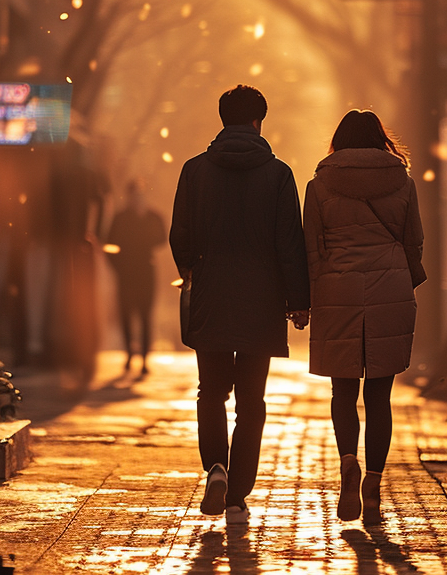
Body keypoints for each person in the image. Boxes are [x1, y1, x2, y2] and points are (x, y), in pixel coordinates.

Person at [169, 85, 310, 525]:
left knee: (211, 391)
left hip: (210, 295)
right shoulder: (279, 174)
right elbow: (290, 243)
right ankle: (238, 493)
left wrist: (192, 268)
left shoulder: (194, 171)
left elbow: (181, 235)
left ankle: (216, 468)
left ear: (223, 119)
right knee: (252, 399)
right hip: (261, 300)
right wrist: (299, 301)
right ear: (258, 122)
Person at [303, 110, 424, 526]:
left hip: (337, 288)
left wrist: (309, 296)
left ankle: (348, 462)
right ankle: (373, 481)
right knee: (379, 396)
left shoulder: (319, 186)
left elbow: (312, 248)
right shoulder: (402, 183)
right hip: (390, 286)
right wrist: (405, 278)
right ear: (380, 140)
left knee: (343, 391)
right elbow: (414, 241)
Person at [106, 181, 166, 375]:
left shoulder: (152, 216)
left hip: (146, 272)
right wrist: (118, 267)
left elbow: (162, 238)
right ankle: (130, 354)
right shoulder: (120, 218)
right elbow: (109, 245)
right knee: (126, 315)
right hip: (127, 274)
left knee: (145, 316)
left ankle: (144, 357)